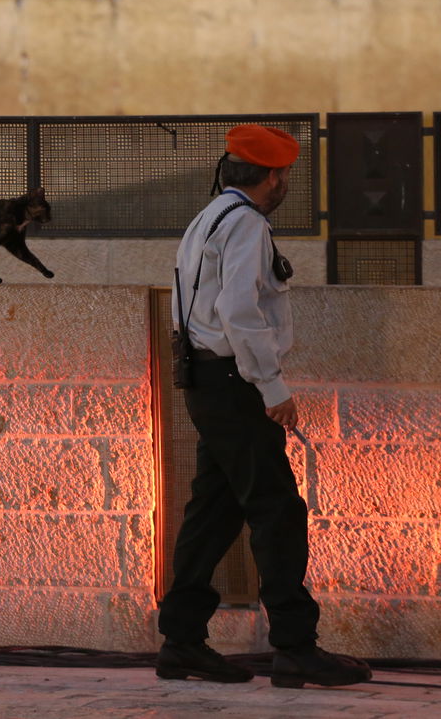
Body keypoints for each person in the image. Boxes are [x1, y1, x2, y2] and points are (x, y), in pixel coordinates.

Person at [155, 124, 372, 689]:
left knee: (215, 510)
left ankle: (181, 641)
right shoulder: (247, 224)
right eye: (284, 178)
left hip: (208, 381)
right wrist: (272, 387)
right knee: (277, 510)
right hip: (233, 383)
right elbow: (240, 311)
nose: (284, 187)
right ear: (271, 177)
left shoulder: (208, 219)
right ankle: (296, 648)